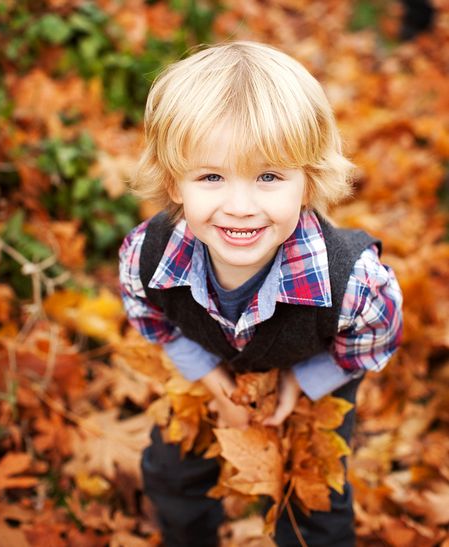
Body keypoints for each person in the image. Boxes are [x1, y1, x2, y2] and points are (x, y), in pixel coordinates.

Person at [119, 41, 403, 547]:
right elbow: (148, 316)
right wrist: (211, 385)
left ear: (308, 181)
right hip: (206, 369)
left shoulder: (353, 282)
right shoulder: (149, 254)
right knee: (173, 470)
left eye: (269, 176)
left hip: (310, 374)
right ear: (174, 183)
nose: (241, 206)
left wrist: (303, 383)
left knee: (314, 504)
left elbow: (377, 337)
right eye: (211, 176)